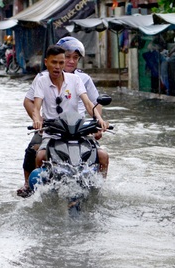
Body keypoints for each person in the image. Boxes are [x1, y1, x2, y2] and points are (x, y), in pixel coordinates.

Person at [17, 38, 109, 197]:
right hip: (52, 127)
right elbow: (31, 102)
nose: (70, 61)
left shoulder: (81, 78)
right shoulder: (42, 78)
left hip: (79, 126)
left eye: (75, 58)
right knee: (34, 152)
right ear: (50, 61)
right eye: (67, 57)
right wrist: (38, 120)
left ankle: (98, 188)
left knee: (102, 155)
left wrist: (98, 122)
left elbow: (92, 103)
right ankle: (34, 188)